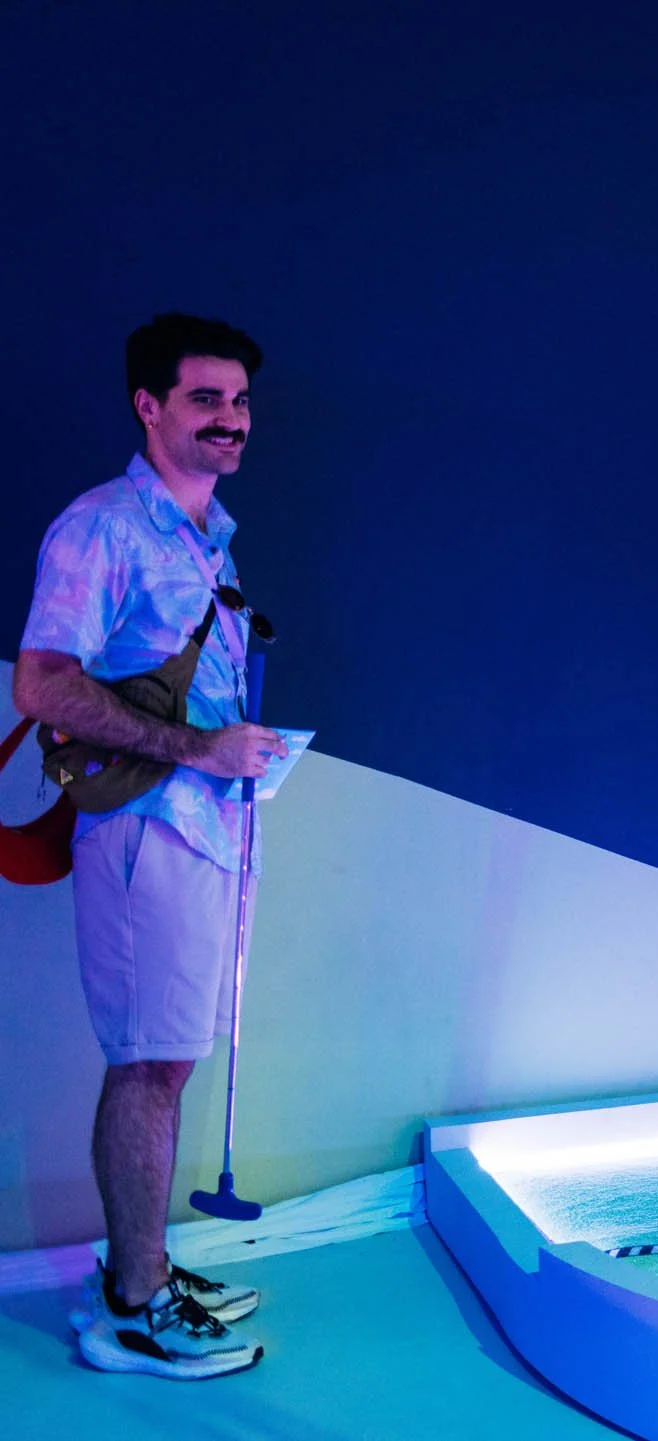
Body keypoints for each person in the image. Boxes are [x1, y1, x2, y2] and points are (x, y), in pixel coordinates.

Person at [12, 313, 285, 1379]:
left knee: (164, 1059)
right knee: (147, 1068)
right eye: (206, 399)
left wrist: (236, 756)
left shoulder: (205, 533)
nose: (231, 420)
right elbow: (44, 683)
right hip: (142, 834)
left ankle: (144, 1264)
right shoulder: (102, 528)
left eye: (241, 401)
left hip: (201, 828)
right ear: (150, 406)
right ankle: (132, 1308)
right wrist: (197, 748)